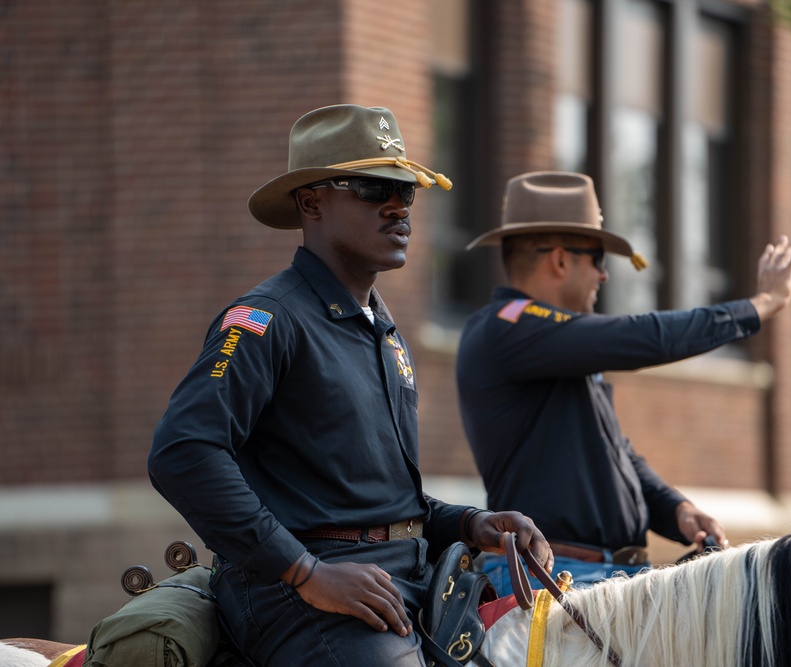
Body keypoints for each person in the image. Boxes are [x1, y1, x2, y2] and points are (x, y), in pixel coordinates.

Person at [147, 105, 552, 667]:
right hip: (294, 595)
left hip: (403, 582)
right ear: (311, 202)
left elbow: (375, 503)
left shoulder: (381, 331)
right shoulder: (265, 319)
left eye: (406, 191)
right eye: (372, 187)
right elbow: (182, 452)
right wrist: (305, 572)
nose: (398, 207)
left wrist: (469, 522)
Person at [457, 171, 791, 596]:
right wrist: (760, 306)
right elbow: (641, 335)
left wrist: (675, 509)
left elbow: (614, 452)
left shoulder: (551, 345)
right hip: (554, 576)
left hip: (598, 578)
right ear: (560, 260)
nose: (604, 276)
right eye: (598, 259)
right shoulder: (506, 326)